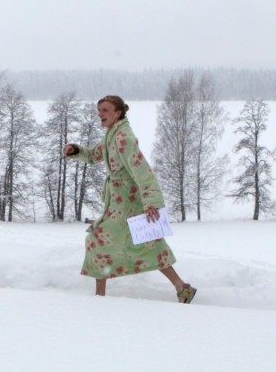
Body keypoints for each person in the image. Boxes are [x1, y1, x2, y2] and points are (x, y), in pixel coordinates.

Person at [64, 95, 196, 303]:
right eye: (99, 110)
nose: (100, 114)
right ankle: (182, 288)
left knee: (97, 240)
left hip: (128, 203)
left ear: (118, 113)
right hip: (118, 201)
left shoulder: (123, 138)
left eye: (105, 110)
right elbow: (93, 155)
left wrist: (151, 203)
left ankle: (100, 298)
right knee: (148, 243)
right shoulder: (112, 134)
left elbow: (142, 172)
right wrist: (77, 151)